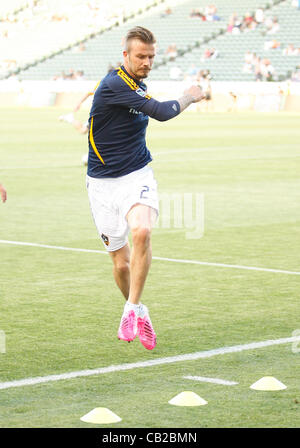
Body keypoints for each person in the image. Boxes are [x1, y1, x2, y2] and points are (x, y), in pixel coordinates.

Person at [86, 26, 204, 351]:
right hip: (100, 185)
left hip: (137, 176)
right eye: (141, 56)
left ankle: (129, 309)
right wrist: (191, 95)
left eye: (151, 56)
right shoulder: (115, 84)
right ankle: (139, 309)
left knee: (142, 232)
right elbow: (164, 112)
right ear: (125, 56)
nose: (147, 62)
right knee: (120, 264)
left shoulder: (136, 85)